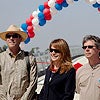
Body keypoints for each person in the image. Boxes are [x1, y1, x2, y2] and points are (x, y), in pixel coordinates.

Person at [0, 25, 38, 100]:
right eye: (8, 36)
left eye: (14, 35)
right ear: (6, 39)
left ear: (20, 39)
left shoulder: (30, 58)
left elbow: (33, 83)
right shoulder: (0, 59)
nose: (11, 38)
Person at [76, 35, 100, 100]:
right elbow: (78, 91)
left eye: (90, 47)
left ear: (98, 49)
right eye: (84, 47)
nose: (87, 49)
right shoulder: (80, 71)